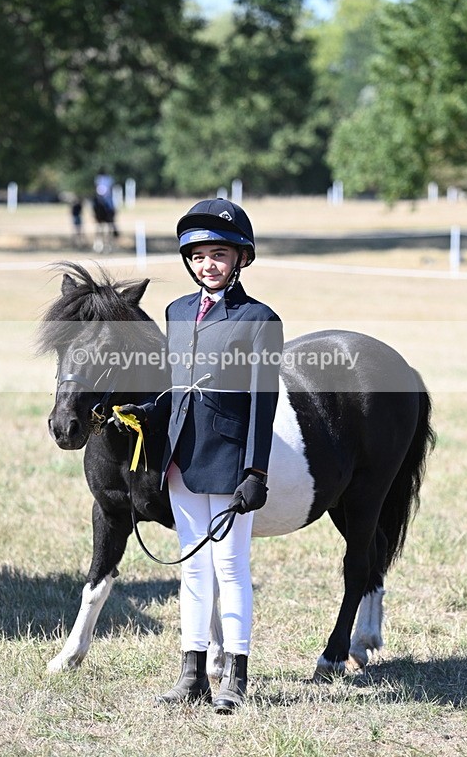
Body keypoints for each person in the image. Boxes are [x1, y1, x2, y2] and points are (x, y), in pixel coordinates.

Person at [113, 199, 284, 713]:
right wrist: (145, 411)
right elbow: (175, 386)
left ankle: (236, 674)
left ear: (241, 258)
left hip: (230, 461)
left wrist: (256, 470)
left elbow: (263, 404)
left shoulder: (260, 319)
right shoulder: (178, 311)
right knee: (193, 568)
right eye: (199, 255)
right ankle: (192, 674)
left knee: (230, 567)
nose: (208, 265)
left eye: (219, 255)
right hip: (181, 460)